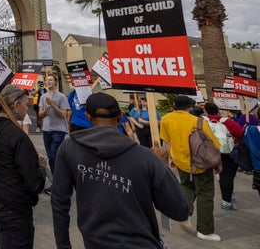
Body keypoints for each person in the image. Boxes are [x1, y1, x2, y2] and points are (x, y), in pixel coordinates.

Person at [51, 93, 189, 248]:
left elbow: (59, 202)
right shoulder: (147, 158)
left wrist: (63, 245)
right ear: (120, 117)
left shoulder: (69, 148)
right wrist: (162, 164)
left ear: (88, 116)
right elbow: (180, 211)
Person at [0, 85, 46, 248]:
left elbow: (4, 159)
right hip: (12, 207)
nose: (27, 107)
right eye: (25, 103)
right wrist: (41, 168)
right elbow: (35, 182)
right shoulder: (17, 136)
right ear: (16, 105)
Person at [160, 94, 221, 242]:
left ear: (174, 106)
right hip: (200, 165)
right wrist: (218, 163)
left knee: (187, 187)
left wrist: (169, 159)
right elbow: (213, 144)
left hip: (180, 162)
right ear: (189, 107)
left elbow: (166, 142)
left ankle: (184, 214)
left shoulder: (165, 119)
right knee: (205, 195)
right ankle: (204, 231)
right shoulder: (198, 122)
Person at [202, 102, 244, 211]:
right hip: (226, 152)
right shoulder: (228, 122)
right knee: (227, 176)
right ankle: (226, 201)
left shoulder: (201, 122)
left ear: (205, 111)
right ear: (218, 111)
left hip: (206, 152)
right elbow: (240, 134)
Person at [38, 73, 70, 191]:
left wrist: (52, 105)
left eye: (51, 80)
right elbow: (39, 114)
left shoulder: (61, 97)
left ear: (55, 82)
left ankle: (59, 183)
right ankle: (57, 183)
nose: (49, 82)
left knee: (53, 156)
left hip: (58, 130)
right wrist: (46, 110)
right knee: (52, 158)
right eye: (47, 80)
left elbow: (63, 114)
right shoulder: (43, 97)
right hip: (46, 130)